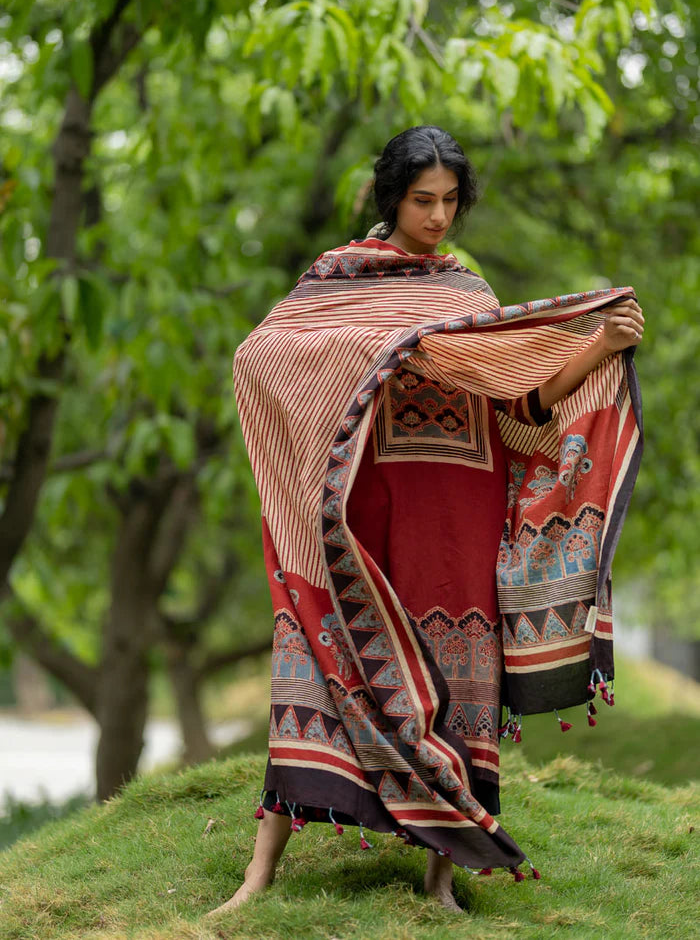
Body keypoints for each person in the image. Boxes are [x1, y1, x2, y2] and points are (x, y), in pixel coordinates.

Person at [213, 126, 644, 915]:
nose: (439, 216)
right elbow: (260, 358)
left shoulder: (467, 297)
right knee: (319, 664)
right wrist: (376, 352)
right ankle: (258, 873)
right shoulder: (335, 281)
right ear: (391, 197)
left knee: (462, 684)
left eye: (450, 201)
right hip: (363, 512)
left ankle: (441, 876)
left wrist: (596, 345)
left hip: (457, 516)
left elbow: (523, 409)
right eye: (423, 201)